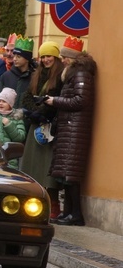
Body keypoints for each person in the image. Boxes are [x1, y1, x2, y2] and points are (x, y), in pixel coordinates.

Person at [46, 36, 96, 226]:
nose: (63, 59)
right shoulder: (74, 74)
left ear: (73, 58)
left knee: (71, 176)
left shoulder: (81, 74)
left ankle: (75, 214)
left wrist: (55, 101)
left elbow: (81, 100)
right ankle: (68, 213)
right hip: (70, 128)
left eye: (65, 57)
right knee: (66, 175)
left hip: (75, 129)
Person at [19, 40, 64, 219]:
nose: (46, 59)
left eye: (49, 56)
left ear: (55, 57)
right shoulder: (36, 75)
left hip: (50, 125)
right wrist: (34, 112)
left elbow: (55, 98)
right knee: (33, 166)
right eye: (43, 56)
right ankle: (34, 202)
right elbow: (27, 96)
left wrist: (42, 111)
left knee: (47, 168)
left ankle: (53, 204)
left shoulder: (60, 76)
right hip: (36, 124)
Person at [0, 36, 34, 103]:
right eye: (14, 55)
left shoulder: (35, 77)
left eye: (18, 56)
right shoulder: (6, 76)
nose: (14, 59)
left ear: (27, 59)